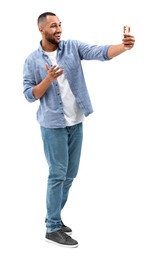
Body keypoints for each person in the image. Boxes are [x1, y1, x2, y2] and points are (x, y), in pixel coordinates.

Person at [23, 12, 135, 248]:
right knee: (57, 175)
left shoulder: (72, 48)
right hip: (52, 125)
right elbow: (29, 95)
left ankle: (53, 217)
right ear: (42, 30)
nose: (59, 28)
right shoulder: (32, 60)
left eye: (60, 24)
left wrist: (122, 47)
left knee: (69, 175)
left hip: (76, 122)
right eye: (53, 26)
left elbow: (101, 52)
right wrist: (48, 80)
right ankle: (52, 228)